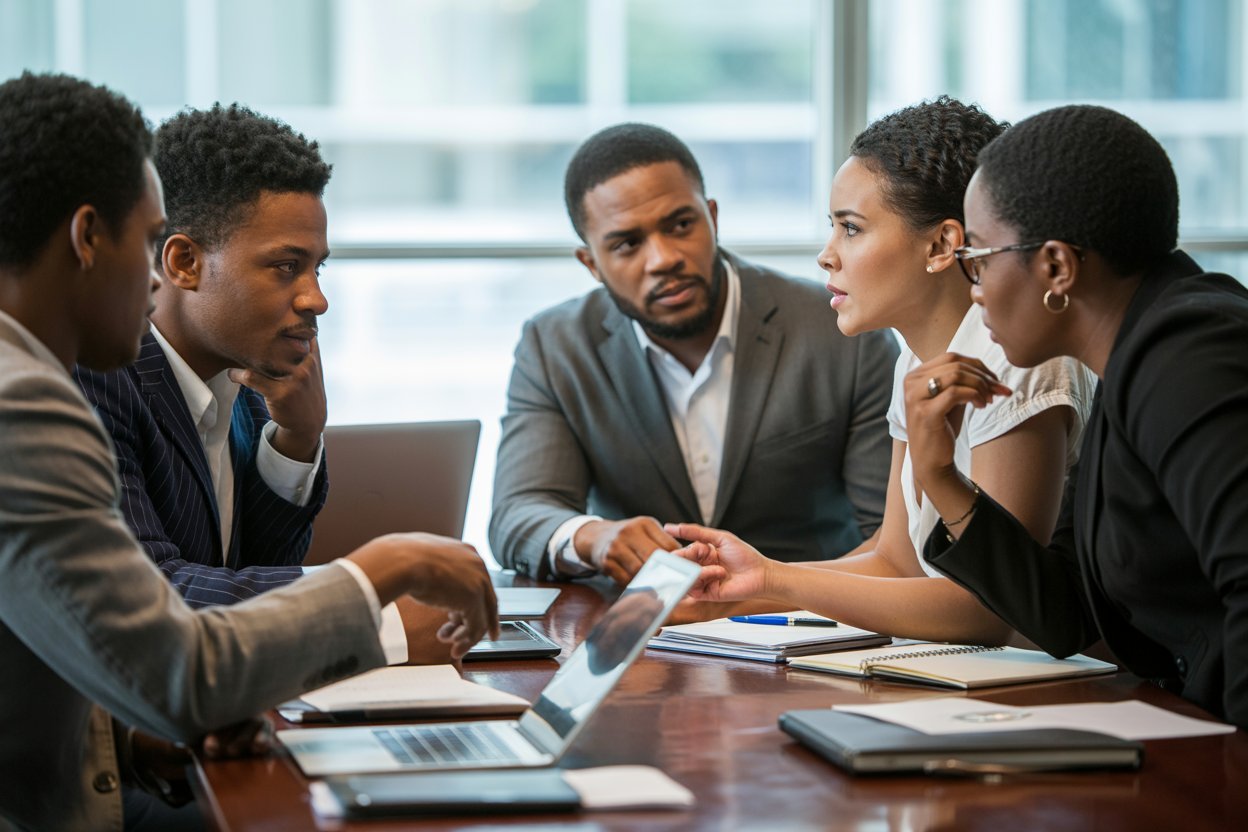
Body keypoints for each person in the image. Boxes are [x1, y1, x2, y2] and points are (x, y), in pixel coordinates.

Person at [0, 72, 498, 832]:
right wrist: (386, 571)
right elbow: (173, 654)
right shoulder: (30, 400)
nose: (315, 297)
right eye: (146, 241)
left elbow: (56, 648)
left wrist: (129, 746)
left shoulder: (228, 381)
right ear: (89, 240)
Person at [668, 98, 1096, 645]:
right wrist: (734, 593)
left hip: (1034, 689)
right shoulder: (915, 359)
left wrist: (775, 580)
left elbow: (990, 611)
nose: (827, 256)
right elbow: (896, 562)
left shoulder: (1016, 363)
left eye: (851, 229)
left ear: (941, 245)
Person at [894, 104, 1248, 728]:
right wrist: (941, 478)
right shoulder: (1127, 363)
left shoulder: (1188, 355)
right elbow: (1066, 615)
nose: (972, 289)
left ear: (1056, 267)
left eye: (976, 260)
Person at [73, 104, 441, 665]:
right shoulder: (96, 378)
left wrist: (296, 438)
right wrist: (372, 604)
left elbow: (251, 570)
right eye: (286, 266)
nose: (316, 298)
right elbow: (152, 595)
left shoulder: (244, 381)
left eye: (319, 268)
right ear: (184, 262)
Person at [490, 122, 898, 586]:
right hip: (645, 633)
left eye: (681, 225)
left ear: (712, 218)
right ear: (591, 264)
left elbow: (893, 537)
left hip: (810, 622)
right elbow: (517, 513)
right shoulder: (556, 346)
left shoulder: (841, 330)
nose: (663, 258)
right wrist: (593, 537)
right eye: (627, 244)